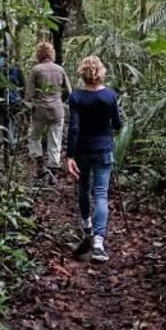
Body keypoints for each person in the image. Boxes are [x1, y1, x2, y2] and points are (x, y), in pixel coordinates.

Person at [65, 55, 122, 263]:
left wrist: (69, 155)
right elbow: (117, 124)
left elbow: (74, 128)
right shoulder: (109, 96)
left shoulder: (76, 97)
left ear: (82, 72)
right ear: (101, 72)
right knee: (100, 194)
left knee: (83, 187)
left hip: (82, 150)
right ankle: (98, 244)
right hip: (104, 149)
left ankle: (87, 225)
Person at [24, 41, 72, 183]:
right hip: (57, 110)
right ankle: (53, 171)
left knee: (34, 137)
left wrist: (28, 109)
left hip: (40, 110)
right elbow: (69, 92)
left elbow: (29, 95)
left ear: (38, 54)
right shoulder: (60, 69)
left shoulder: (36, 70)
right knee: (55, 140)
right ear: (52, 54)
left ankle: (40, 165)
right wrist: (59, 100)